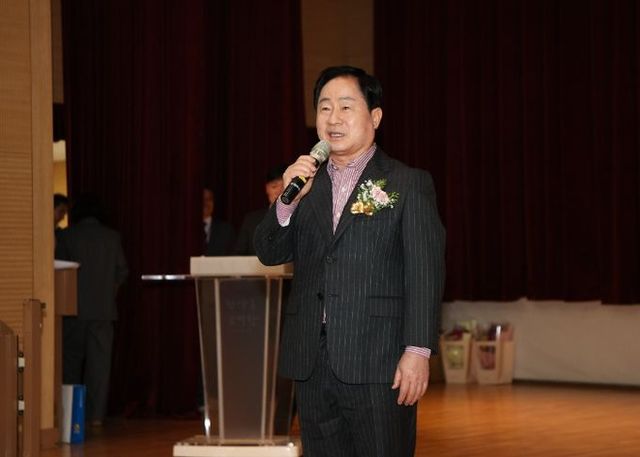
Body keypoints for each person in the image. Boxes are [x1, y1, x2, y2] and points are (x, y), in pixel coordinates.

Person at [254, 66, 446, 457]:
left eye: (345, 106)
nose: (333, 118)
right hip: (311, 359)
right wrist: (287, 202)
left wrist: (418, 350)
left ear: (375, 117)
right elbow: (268, 252)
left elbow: (425, 273)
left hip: (379, 361)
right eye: (324, 108)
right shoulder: (306, 184)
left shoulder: (407, 183)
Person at [55, 193, 128, 426]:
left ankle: (68, 415)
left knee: (70, 364)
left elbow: (59, 270)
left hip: (73, 310)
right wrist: (109, 292)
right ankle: (96, 416)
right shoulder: (112, 237)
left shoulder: (66, 235)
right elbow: (122, 270)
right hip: (103, 311)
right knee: (99, 367)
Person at [234, 164, 286, 255]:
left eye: (284, 186)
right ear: (266, 189)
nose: (279, 192)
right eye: (274, 186)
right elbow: (239, 255)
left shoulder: (301, 218)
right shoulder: (251, 220)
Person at [202, 187, 235, 256]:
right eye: (202, 199)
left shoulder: (226, 230)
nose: (205, 203)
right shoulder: (186, 231)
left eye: (209, 199)